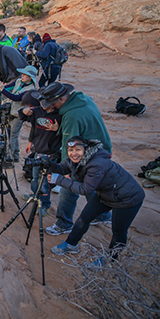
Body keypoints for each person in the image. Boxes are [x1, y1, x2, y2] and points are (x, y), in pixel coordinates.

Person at [48, 136, 145, 256]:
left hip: (127, 198)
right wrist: (48, 163)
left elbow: (85, 189)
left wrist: (58, 179)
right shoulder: (75, 160)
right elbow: (62, 168)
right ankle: (71, 244)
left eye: (77, 150)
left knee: (118, 232)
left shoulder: (96, 164)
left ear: (86, 149)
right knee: (84, 218)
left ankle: (110, 260)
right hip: (106, 194)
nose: (73, 153)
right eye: (70, 150)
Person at [38, 82, 113, 235]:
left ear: (62, 100)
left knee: (68, 187)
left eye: (53, 103)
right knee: (91, 184)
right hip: (102, 149)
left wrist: (67, 170)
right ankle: (103, 215)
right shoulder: (84, 99)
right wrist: (59, 128)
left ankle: (64, 223)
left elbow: (69, 144)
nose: (53, 107)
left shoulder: (71, 115)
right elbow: (82, 127)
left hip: (87, 155)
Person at [18, 91, 62, 215]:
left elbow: (67, 133)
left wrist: (58, 129)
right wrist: (23, 111)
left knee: (45, 181)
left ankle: (44, 204)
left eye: (46, 103)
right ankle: (35, 196)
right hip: (38, 150)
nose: (43, 105)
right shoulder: (37, 111)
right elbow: (22, 117)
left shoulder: (59, 115)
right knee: (35, 177)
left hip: (50, 153)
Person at [0, 65, 37, 162]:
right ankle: (15, 155)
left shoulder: (30, 90)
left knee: (12, 136)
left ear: (30, 78)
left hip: (19, 114)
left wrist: (2, 89)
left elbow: (16, 98)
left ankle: (9, 158)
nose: (22, 76)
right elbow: (8, 88)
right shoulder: (18, 81)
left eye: (25, 75)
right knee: (11, 135)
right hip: (11, 111)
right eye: (22, 74)